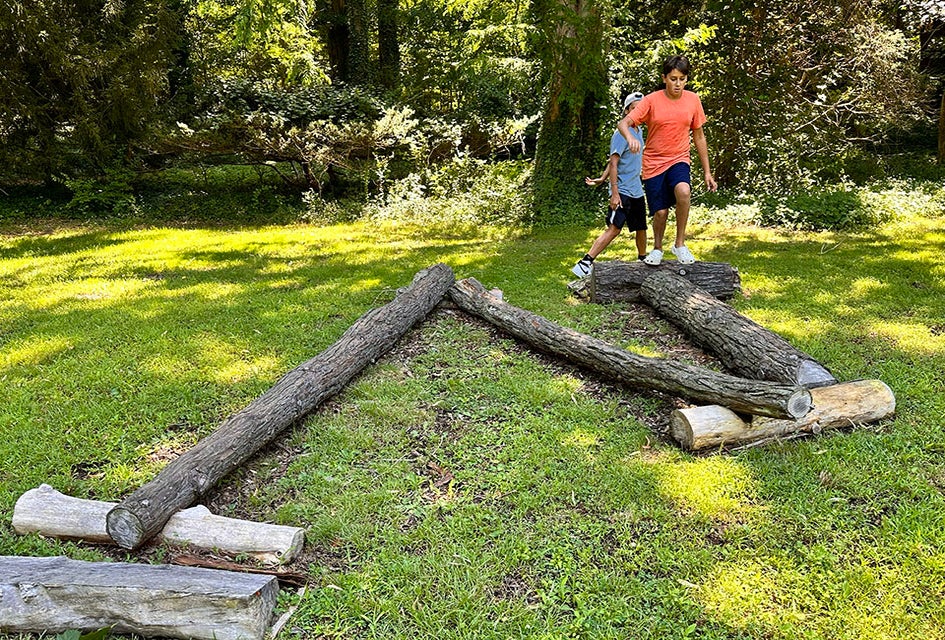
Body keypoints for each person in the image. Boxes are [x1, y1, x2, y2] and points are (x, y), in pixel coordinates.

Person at [617, 55, 717, 265]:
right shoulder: (651, 101)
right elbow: (624, 123)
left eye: (682, 79)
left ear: (686, 79)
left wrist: (707, 171)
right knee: (660, 213)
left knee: (684, 191)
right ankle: (657, 248)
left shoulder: (693, 100)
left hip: (679, 158)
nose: (677, 84)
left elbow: (699, 136)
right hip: (653, 163)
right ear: (664, 78)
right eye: (673, 79)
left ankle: (679, 244)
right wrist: (630, 138)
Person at [571, 91, 647, 278]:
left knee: (641, 228)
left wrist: (602, 178)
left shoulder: (639, 131)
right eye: (634, 109)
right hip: (621, 190)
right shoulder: (622, 133)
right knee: (614, 229)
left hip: (636, 189)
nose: (638, 113)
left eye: (641, 109)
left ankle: (643, 261)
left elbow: (617, 160)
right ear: (627, 111)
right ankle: (584, 263)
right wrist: (614, 192)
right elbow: (613, 162)